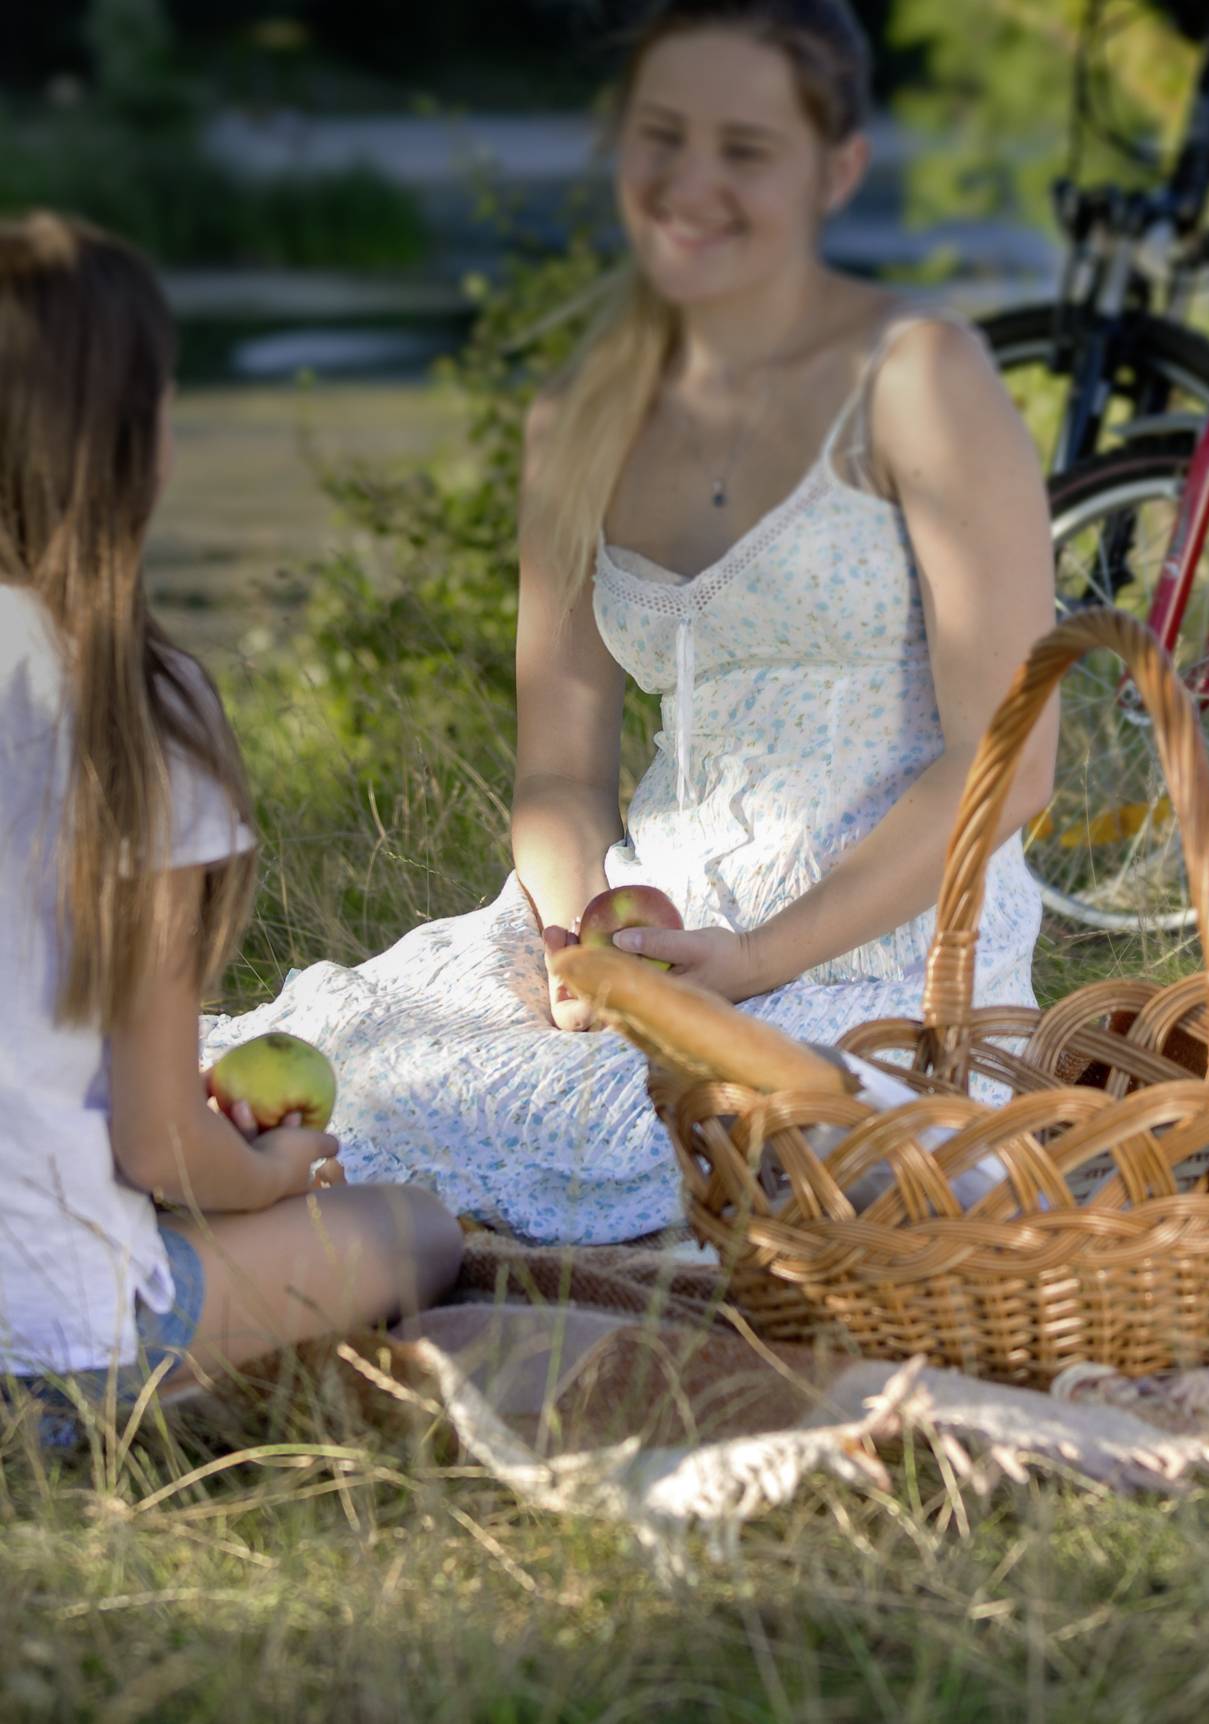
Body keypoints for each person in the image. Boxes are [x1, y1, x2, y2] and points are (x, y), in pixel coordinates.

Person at [201, 0, 1058, 1243]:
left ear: (839, 170)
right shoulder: (577, 416)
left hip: (887, 940)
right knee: (356, 1064)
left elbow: (1012, 764)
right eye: (661, 137)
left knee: (663, 1139)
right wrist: (571, 942)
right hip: (639, 920)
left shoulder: (923, 384)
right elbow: (559, 769)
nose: (690, 185)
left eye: (745, 149)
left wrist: (754, 960)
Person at [0, 214, 463, 1424]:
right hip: (49, 1328)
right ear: (137, 448)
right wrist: (265, 1168)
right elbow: (160, 1154)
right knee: (414, 1228)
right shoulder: (132, 703)